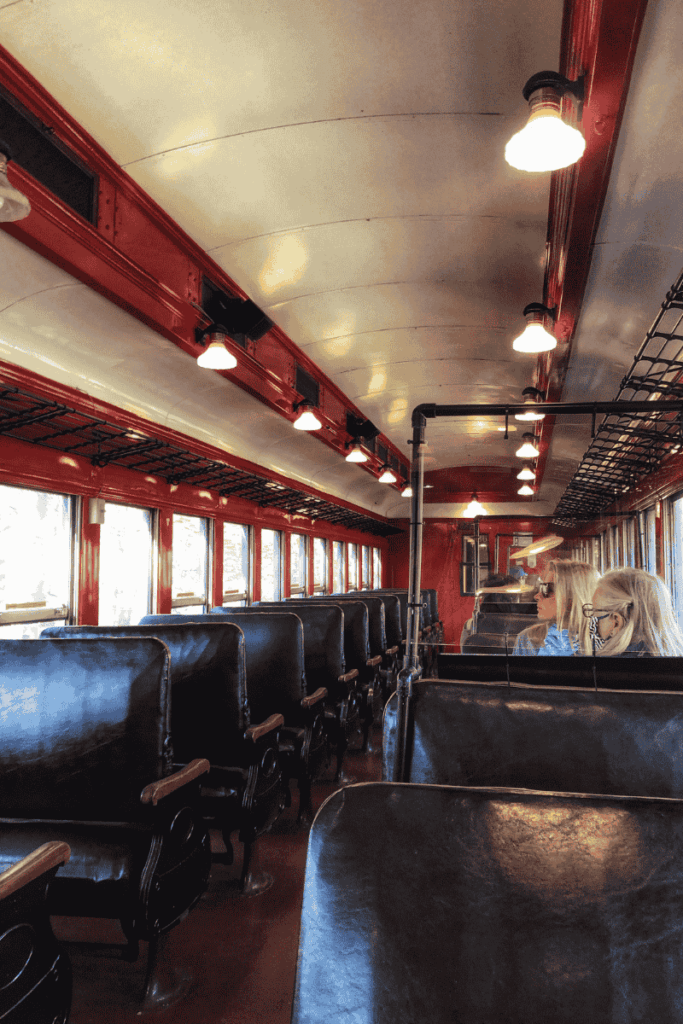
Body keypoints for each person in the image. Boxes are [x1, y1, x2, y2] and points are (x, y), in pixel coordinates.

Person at [583, 567, 683, 656]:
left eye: (594, 614)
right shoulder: (674, 655)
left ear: (616, 621)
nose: (592, 622)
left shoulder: (606, 667)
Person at [513, 559, 599, 656]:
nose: (537, 596)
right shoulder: (528, 639)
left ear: (573, 596)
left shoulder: (602, 641)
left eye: (547, 589)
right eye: (540, 588)